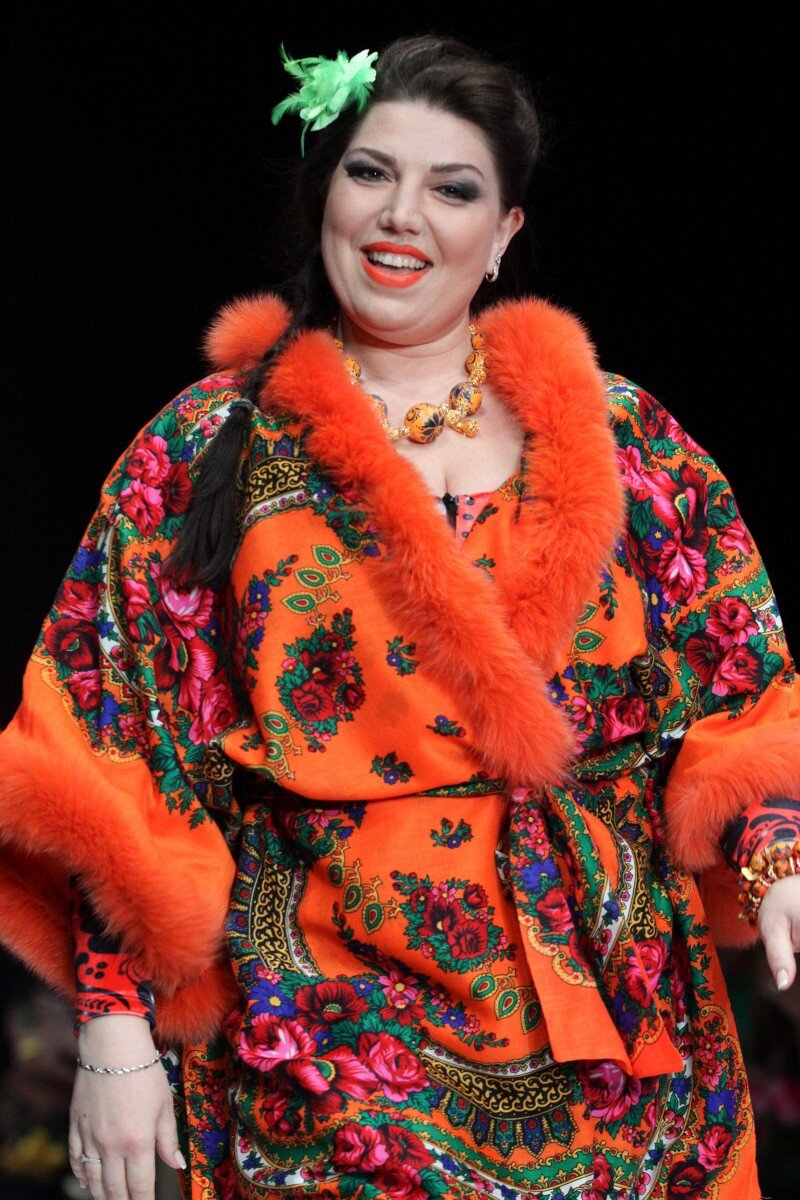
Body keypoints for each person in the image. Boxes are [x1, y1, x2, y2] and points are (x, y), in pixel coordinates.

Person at [0, 32, 799, 1200]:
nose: (399, 216)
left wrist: (779, 859)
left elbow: (739, 682)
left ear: (504, 233)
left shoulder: (624, 436)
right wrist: (115, 1032)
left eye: (451, 188)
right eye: (370, 172)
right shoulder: (209, 447)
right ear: (323, 192)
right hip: (324, 1035)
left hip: (622, 1029)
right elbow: (111, 735)